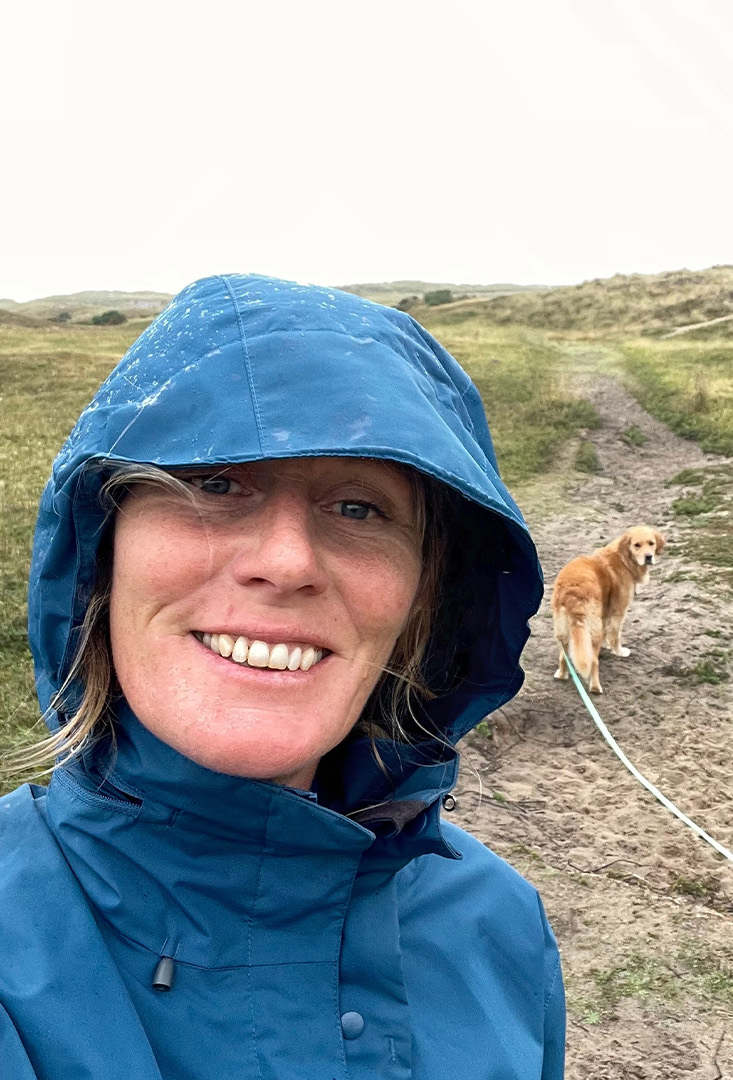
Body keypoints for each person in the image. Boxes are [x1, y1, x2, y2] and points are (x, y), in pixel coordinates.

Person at [0, 275, 564, 1078]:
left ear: (424, 600)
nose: (289, 562)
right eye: (216, 483)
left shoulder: (499, 924)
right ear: (99, 554)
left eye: (360, 508)